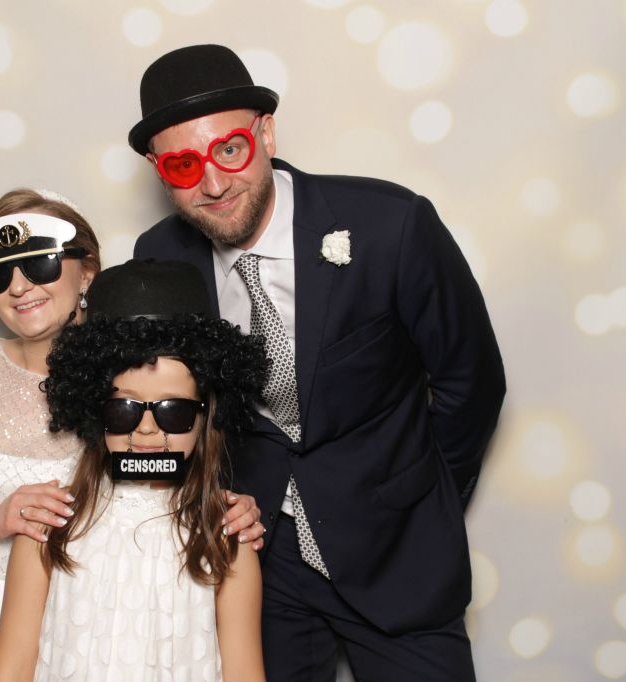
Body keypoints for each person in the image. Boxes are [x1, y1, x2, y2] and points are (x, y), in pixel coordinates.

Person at [130, 45, 507, 681]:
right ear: (157, 169)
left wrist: (422, 498)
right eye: (183, 165)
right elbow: (166, 406)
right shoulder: (160, 258)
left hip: (399, 552)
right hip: (258, 563)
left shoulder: (390, 225)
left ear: (266, 134)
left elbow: (472, 383)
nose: (214, 185)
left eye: (230, 150)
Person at [0, 190, 264, 681]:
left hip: (92, 624)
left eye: (40, 263)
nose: (19, 286)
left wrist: (227, 507)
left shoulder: (134, 370)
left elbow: (174, 472)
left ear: (87, 271)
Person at [0, 259, 268, 682]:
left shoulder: (227, 537)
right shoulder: (48, 526)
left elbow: (245, 673)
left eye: (173, 411)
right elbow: (10, 670)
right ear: (94, 410)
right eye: (124, 409)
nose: (148, 429)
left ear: (205, 415)